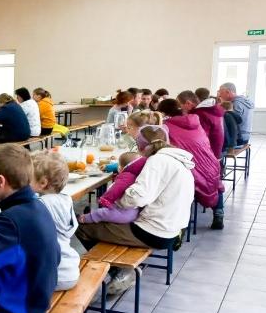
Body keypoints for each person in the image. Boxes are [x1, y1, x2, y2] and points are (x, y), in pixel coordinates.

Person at [76, 126, 195, 291]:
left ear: (141, 147)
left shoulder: (157, 161)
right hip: (173, 230)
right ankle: (117, 266)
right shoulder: (177, 160)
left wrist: (118, 200)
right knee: (101, 219)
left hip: (153, 233)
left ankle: (120, 271)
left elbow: (136, 198)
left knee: (81, 226)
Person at [0, 144, 58, 313]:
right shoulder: (38, 207)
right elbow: (18, 228)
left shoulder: (9, 224)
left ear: (1, 181)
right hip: (35, 307)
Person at [157, 98, 225, 229]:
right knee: (216, 182)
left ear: (163, 113)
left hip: (192, 166)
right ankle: (219, 212)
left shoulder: (166, 127)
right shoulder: (195, 121)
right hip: (211, 162)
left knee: (175, 180)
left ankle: (176, 217)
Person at [31, 151, 80, 291]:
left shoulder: (40, 206)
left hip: (54, 275)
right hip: (70, 269)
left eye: (28, 177)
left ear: (42, 183)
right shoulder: (65, 200)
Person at [181, 90, 224, 158]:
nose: (180, 108)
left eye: (180, 105)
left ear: (188, 103)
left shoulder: (200, 113)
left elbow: (200, 138)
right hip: (217, 150)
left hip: (209, 154)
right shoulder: (212, 109)